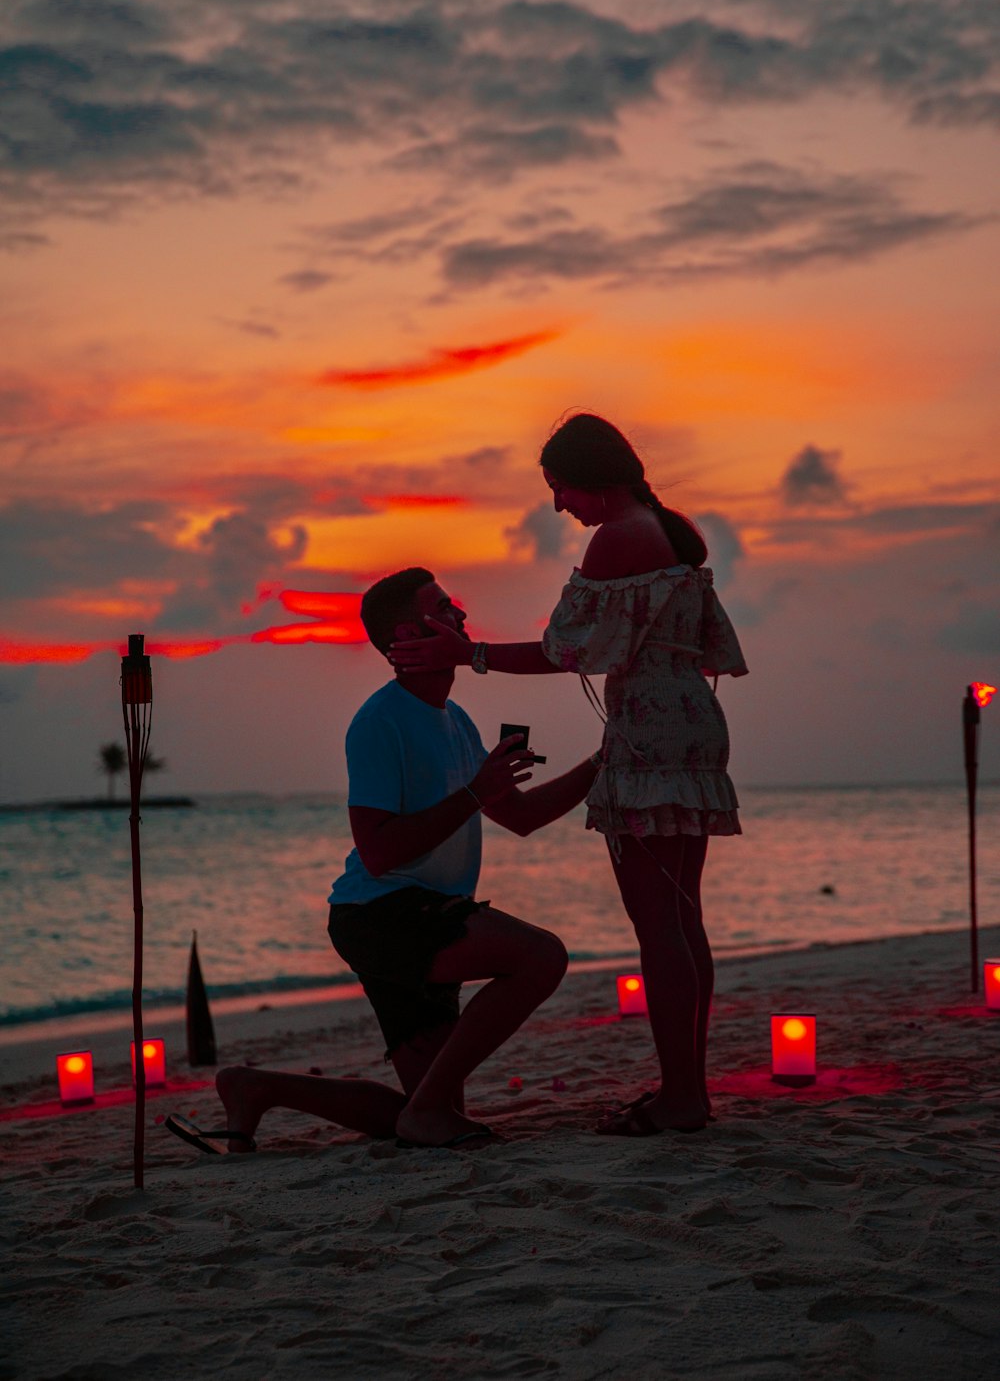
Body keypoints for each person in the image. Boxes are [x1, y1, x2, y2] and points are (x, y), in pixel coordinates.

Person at [389, 414, 748, 1135]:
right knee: (683, 916)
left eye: (559, 488)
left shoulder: (617, 536)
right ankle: (688, 1087)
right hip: (689, 720)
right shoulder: (673, 532)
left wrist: (469, 655)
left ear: (590, 476)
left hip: (648, 728)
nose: (560, 506)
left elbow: (564, 650)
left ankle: (681, 1094)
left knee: (659, 926)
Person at [167, 566, 597, 1157]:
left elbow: (520, 817)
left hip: (423, 913)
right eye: (445, 608)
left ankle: (253, 1087)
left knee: (427, 1112)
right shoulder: (380, 722)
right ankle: (410, 1108)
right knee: (541, 956)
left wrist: (602, 763)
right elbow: (378, 850)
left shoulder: (458, 721)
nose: (462, 616)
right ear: (410, 633)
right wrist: (474, 793)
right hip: (383, 915)